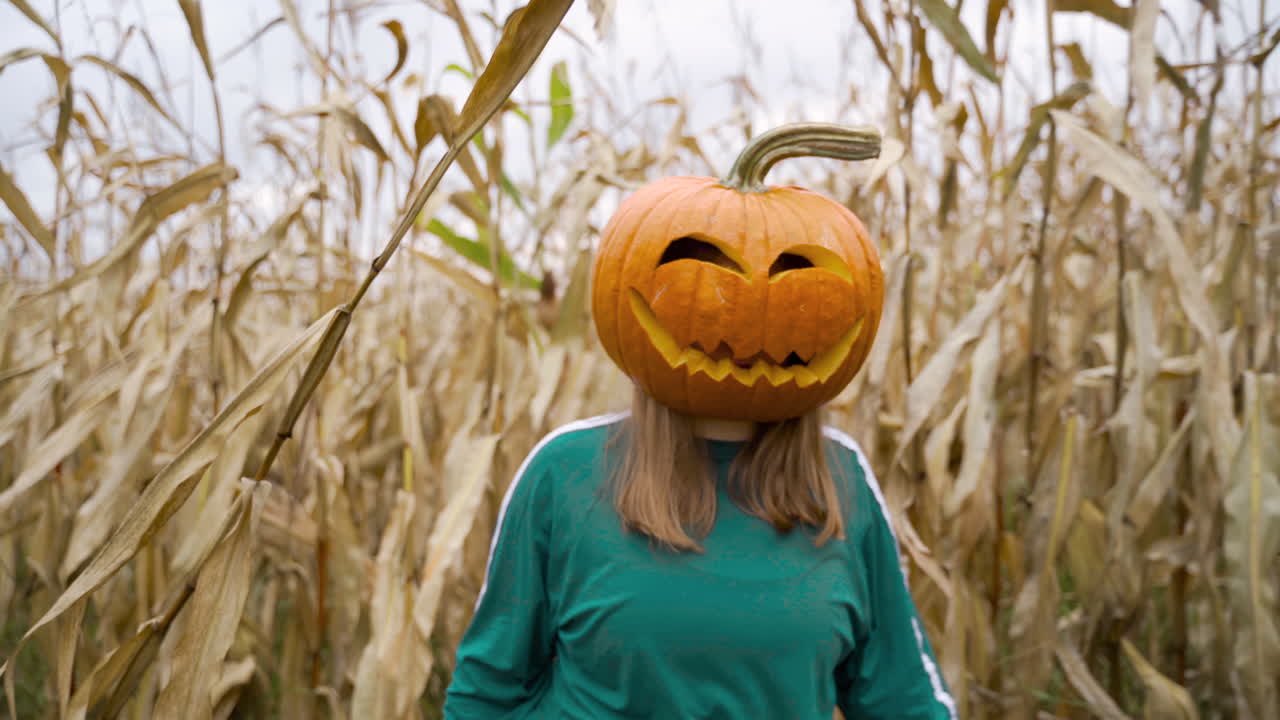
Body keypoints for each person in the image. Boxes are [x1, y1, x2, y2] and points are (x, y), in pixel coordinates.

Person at [443, 123, 956, 719]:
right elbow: (485, 695)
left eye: (796, 278)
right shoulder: (566, 473)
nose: (751, 313)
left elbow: (904, 699)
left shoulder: (840, 483)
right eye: (704, 278)